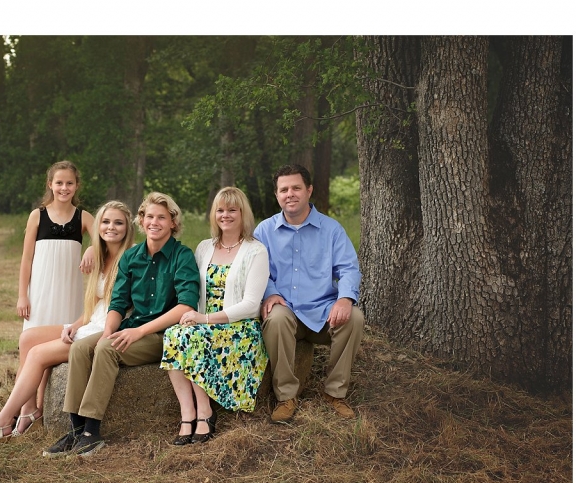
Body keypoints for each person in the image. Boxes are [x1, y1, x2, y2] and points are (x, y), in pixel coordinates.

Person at [42, 192, 200, 458]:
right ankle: (76, 428)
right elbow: (117, 303)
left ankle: (92, 432)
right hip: (131, 326)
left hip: (162, 335)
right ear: (140, 220)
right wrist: (107, 332)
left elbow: (185, 306)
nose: (154, 222)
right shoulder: (132, 257)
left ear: (173, 222)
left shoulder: (182, 256)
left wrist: (136, 332)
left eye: (162, 217)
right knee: (81, 348)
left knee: (108, 350)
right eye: (149, 216)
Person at [0, 201, 135, 448]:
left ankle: (1, 422)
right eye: (106, 222)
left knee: (37, 354)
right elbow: (97, 303)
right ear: (98, 226)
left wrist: (100, 334)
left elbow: (119, 306)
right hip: (93, 321)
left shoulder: (131, 257)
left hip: (108, 328)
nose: (111, 227)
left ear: (128, 227)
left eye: (118, 222)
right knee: (28, 338)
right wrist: (75, 324)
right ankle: (30, 409)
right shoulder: (102, 255)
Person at [254, 163, 365, 424]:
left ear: (309, 190)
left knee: (355, 318)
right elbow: (257, 272)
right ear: (277, 195)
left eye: (296, 188)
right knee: (277, 317)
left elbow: (348, 268)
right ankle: (286, 397)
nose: (290, 194)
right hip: (285, 310)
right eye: (284, 189)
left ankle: (335, 393)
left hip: (322, 312)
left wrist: (345, 299)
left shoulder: (332, 229)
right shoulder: (264, 231)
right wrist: (269, 292)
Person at [160, 187, 269, 445]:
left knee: (193, 336)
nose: (225, 215)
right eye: (220, 210)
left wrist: (205, 319)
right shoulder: (203, 247)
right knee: (173, 334)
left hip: (240, 330)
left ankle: (206, 412)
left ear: (243, 214)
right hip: (203, 324)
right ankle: (188, 413)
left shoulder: (256, 251)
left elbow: (252, 305)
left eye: (232, 210)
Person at [15, 161, 97, 415]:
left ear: (76, 185)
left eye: (69, 183)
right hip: (40, 292)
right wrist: (22, 296)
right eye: (59, 183)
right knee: (30, 347)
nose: (64, 188)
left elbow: (105, 240)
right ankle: (26, 407)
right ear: (50, 184)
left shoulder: (83, 217)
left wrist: (93, 247)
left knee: (54, 350)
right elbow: (26, 259)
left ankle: (43, 406)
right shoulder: (37, 215)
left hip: (69, 293)